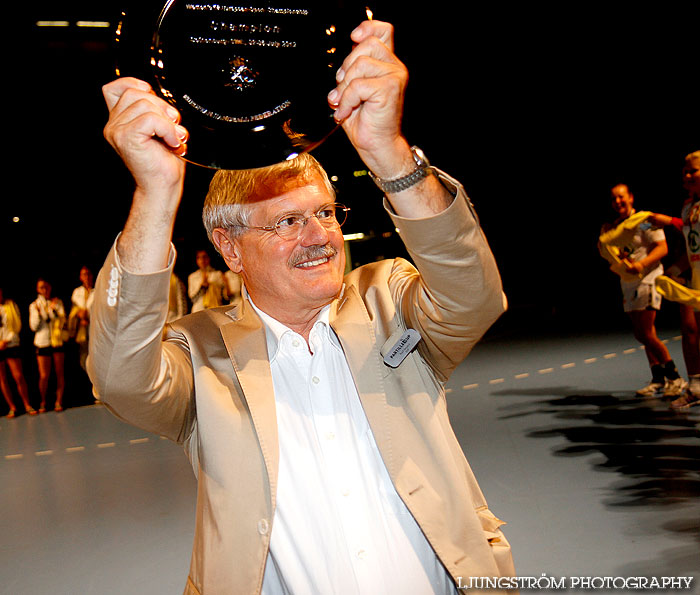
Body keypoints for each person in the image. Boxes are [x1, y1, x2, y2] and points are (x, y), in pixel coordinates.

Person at [89, 20, 514, 594]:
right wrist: (156, 192)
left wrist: (388, 153)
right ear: (230, 249)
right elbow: (120, 379)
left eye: (324, 213)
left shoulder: (389, 300)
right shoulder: (201, 358)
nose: (318, 236)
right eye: (288, 221)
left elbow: (475, 295)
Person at [598, 183, 685, 397]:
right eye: (614, 199)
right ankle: (658, 378)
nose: (618, 201)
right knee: (645, 334)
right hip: (628, 281)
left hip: (648, 277)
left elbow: (662, 247)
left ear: (631, 198)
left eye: (621, 197)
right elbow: (617, 254)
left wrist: (642, 264)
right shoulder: (616, 227)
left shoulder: (644, 221)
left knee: (644, 332)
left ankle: (675, 377)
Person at [648, 151, 700, 409]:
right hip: (695, 280)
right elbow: (694, 247)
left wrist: (667, 221)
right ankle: (696, 386)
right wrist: (674, 273)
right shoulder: (689, 206)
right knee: (690, 331)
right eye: (685, 172)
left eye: (694, 170)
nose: (688, 175)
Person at [29, 278, 66, 412]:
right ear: (38, 290)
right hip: (43, 342)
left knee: (59, 373)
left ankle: (58, 401)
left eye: (46, 287)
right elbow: (33, 327)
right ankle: (42, 401)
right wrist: (40, 313)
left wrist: (53, 309)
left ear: (50, 287)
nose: (44, 290)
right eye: (41, 287)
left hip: (57, 342)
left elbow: (62, 321)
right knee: (44, 375)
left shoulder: (57, 302)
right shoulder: (34, 305)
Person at [0, 287, 34, 417]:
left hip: (11, 344)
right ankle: (12, 407)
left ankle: (27, 404)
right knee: (2, 379)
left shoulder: (10, 305)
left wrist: (6, 341)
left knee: (18, 376)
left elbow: (17, 325)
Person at [68, 266, 95, 371]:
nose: (86, 277)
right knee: (83, 358)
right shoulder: (77, 292)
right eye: (84, 274)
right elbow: (73, 311)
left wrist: (88, 316)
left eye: (88, 274)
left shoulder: (98, 291)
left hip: (93, 329)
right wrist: (79, 315)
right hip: (81, 331)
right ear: (80, 277)